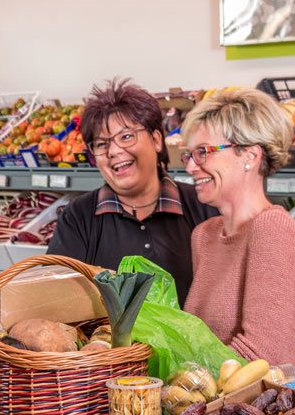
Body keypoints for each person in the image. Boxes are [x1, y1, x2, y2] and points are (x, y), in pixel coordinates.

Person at [47, 79, 215, 304]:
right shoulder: (78, 216)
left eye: (126, 136)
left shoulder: (203, 205)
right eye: (101, 144)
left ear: (156, 140)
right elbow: (55, 298)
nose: (114, 151)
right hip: (106, 340)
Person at [181, 88, 295, 366]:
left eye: (203, 152)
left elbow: (266, 354)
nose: (191, 167)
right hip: (204, 404)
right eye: (188, 155)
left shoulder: (272, 228)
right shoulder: (205, 235)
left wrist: (184, 378)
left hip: (247, 405)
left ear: (249, 156)